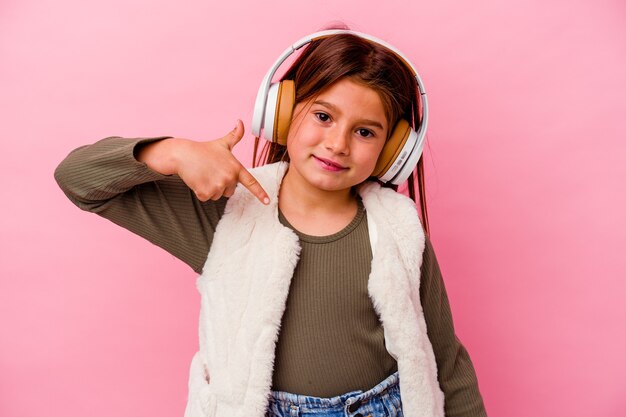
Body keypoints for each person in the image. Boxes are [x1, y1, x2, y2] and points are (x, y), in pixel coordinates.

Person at [55, 28, 487, 417]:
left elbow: (446, 362)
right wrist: (169, 152)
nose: (337, 144)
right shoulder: (224, 215)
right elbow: (77, 180)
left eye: (365, 132)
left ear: (392, 151)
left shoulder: (399, 229)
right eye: (323, 116)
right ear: (280, 113)